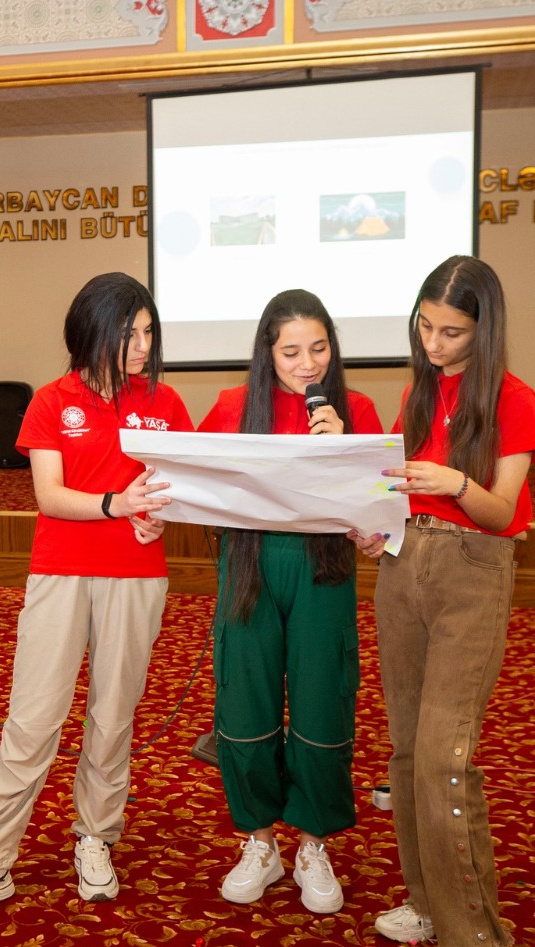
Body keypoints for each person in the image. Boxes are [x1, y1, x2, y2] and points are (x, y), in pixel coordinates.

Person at [0, 272, 194, 921]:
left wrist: (157, 515)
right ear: (92, 332)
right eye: (130, 333)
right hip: (61, 571)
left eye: (149, 332)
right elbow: (49, 495)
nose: (143, 346)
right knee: (33, 719)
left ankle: (95, 836)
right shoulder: (53, 401)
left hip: (137, 575)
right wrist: (116, 504)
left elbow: (175, 487)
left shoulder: (164, 402)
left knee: (112, 717)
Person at [349, 255, 535, 947]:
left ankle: (484, 941)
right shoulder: (419, 391)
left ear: (483, 330)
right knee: (405, 752)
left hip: (473, 568)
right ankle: (429, 903)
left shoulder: (514, 400)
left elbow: (503, 511)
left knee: (443, 757)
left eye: (452, 332)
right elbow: (400, 492)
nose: (434, 343)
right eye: (425, 326)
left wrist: (456, 483)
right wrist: (379, 527)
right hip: (405, 566)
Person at [197, 289, 383, 914]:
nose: (308, 365)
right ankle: (259, 841)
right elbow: (199, 485)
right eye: (291, 352)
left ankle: (313, 843)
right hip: (250, 566)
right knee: (244, 698)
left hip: (323, 570)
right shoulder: (232, 406)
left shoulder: (355, 408)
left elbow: (378, 513)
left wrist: (342, 449)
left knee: (322, 699)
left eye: (319, 349)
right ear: (267, 353)